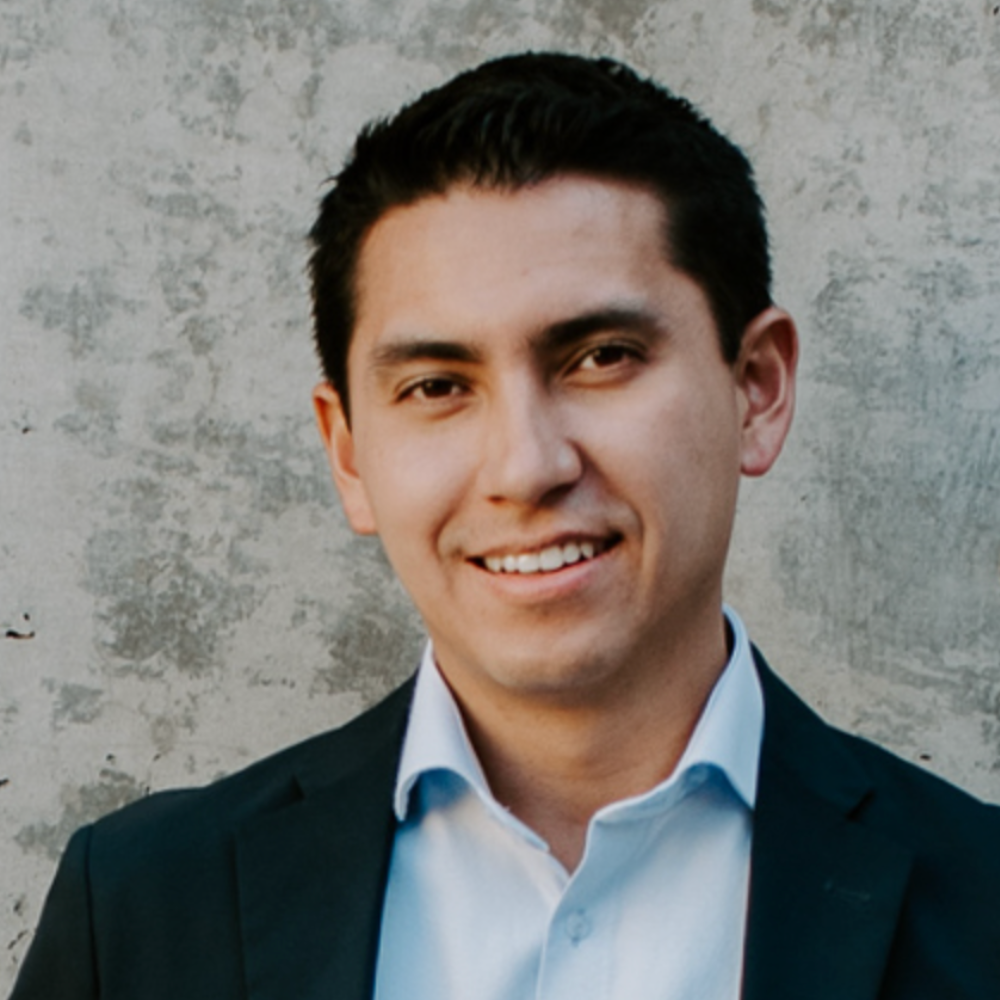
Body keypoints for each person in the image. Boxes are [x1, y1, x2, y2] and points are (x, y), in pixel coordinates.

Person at [10, 52, 1000, 1000]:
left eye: (602, 357)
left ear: (757, 388)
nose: (526, 467)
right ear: (348, 453)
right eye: (437, 385)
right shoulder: (140, 910)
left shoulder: (983, 907)